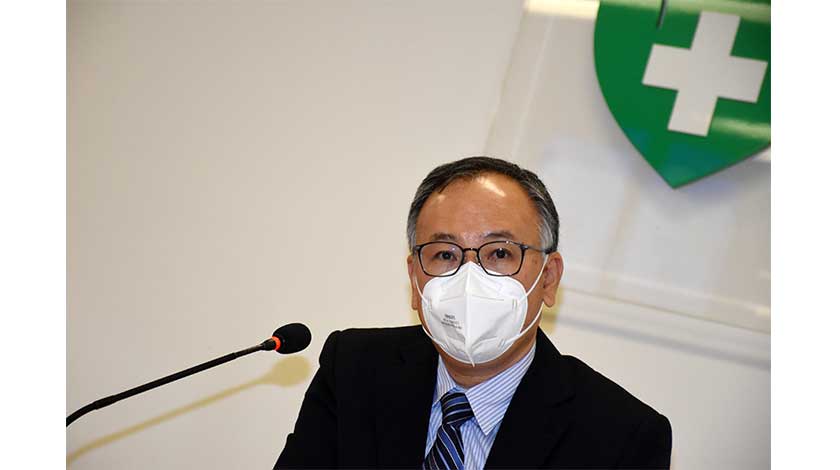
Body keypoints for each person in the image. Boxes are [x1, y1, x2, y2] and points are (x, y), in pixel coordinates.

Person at [274, 156, 672, 469]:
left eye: (499, 253)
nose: (469, 279)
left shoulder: (623, 436)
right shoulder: (353, 369)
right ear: (414, 279)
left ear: (549, 279)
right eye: (445, 255)